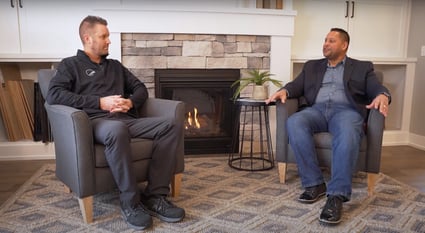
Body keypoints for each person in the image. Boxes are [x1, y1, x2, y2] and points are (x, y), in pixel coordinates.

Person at [46, 15, 185, 230]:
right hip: (95, 122)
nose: (109, 40)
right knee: (116, 129)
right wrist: (99, 103)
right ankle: (130, 202)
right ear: (88, 38)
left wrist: (130, 102)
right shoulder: (70, 65)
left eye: (108, 36)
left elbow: (140, 88)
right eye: (104, 36)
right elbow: (54, 95)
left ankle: (155, 196)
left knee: (171, 125)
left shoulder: (115, 66)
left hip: (125, 119)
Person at [266, 28, 390, 225]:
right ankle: (314, 183)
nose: (325, 43)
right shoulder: (312, 66)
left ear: (344, 45)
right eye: (325, 40)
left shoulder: (362, 67)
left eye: (331, 40)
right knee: (295, 121)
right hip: (317, 110)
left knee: (349, 131)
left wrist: (383, 95)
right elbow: (295, 85)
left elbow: (375, 88)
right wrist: (284, 91)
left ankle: (336, 196)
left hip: (346, 112)